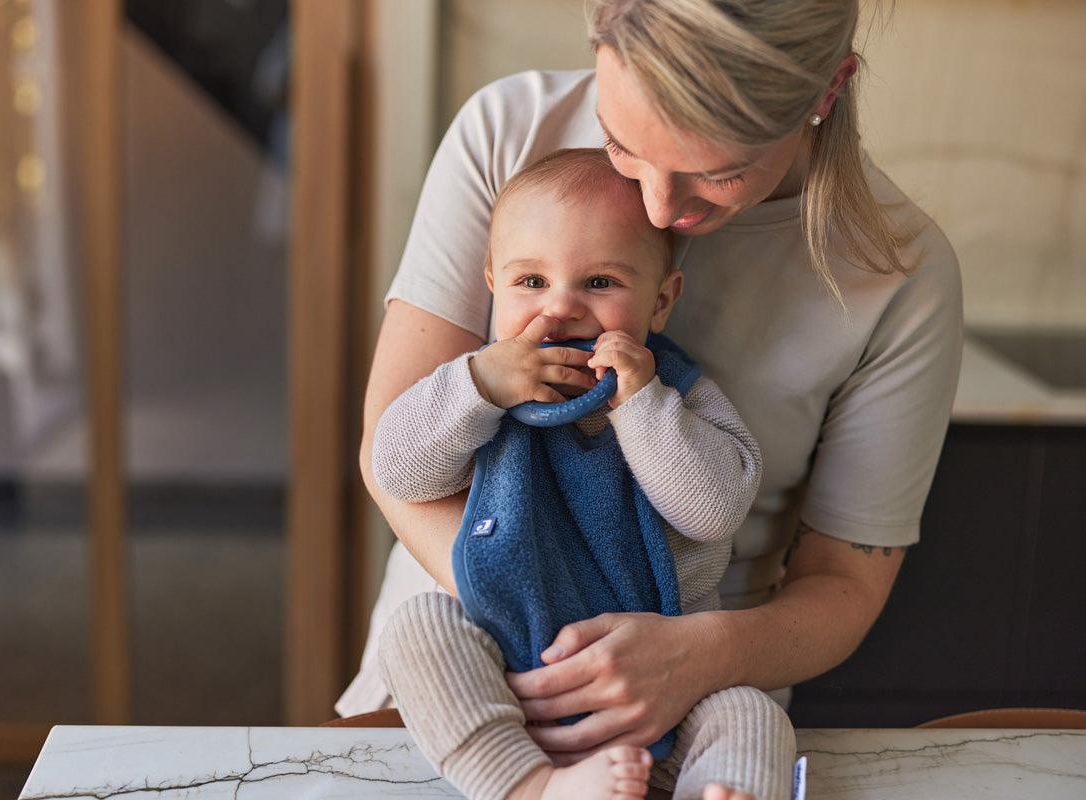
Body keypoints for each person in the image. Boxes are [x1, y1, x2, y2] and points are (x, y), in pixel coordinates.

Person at [342, 0, 961, 795]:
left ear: (827, 89)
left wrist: (695, 656)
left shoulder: (902, 276)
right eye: (621, 142)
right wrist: (540, 619)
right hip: (470, 644)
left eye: (719, 169)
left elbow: (844, 582)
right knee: (422, 638)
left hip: (686, 684)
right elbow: (390, 455)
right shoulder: (508, 131)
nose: (661, 209)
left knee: (750, 723)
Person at [373, 147, 793, 800]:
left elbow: (711, 511)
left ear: (661, 301)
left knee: (752, 713)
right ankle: (532, 787)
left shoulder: (675, 395)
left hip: (661, 689)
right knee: (418, 631)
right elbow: (396, 469)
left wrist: (641, 405)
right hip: (509, 678)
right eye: (531, 282)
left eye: (600, 283)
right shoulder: (479, 386)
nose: (562, 307)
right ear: (492, 281)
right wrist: (479, 385)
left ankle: (721, 789)